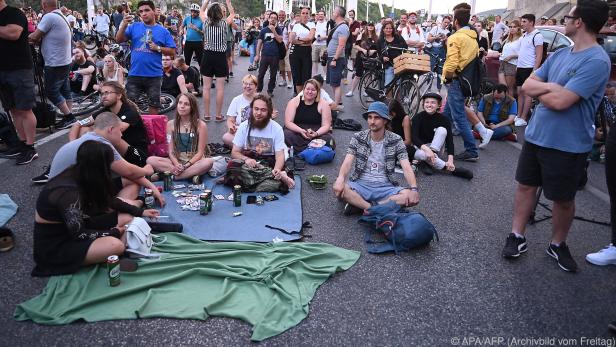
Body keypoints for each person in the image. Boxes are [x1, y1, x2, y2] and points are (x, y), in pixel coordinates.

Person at [501, 0, 611, 273]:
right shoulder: (561, 54)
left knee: (562, 198)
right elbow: (528, 85)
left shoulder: (597, 60)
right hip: (537, 135)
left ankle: (557, 243)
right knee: (526, 186)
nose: (564, 21)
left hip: (568, 143)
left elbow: (561, 102)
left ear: (579, 22)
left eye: (569, 17)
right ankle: (517, 235)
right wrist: (554, 89)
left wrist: (548, 92)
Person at [32, 140, 160, 277]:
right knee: (115, 245)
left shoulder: (82, 172)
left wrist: (140, 212)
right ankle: (113, 254)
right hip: (58, 245)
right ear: (100, 166)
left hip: (78, 226)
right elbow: (79, 234)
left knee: (127, 217)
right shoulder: (67, 192)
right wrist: (113, 232)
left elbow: (109, 200)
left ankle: (109, 253)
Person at [49, 111, 164, 205]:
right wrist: (146, 170)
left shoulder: (89, 137)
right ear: (110, 129)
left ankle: (120, 205)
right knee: (131, 184)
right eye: (120, 130)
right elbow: (129, 171)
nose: (121, 135)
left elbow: (128, 173)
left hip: (55, 194)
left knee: (127, 180)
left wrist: (151, 186)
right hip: (70, 199)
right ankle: (119, 208)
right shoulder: (100, 144)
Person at [333, 101, 419, 215]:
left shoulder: (396, 140)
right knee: (339, 189)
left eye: (377, 118)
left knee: (409, 197)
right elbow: (347, 162)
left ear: (385, 120)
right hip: (361, 184)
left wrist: (414, 188)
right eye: (370, 117)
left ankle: (362, 206)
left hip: (385, 187)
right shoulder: (358, 137)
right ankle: (376, 208)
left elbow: (407, 167)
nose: (372, 121)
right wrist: (340, 179)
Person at [67, 81, 148, 168]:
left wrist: (90, 134)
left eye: (107, 93)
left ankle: (92, 163)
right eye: (102, 94)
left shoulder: (130, 112)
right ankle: (85, 161)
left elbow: (114, 132)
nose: (104, 96)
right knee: (84, 129)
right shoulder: (105, 111)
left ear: (119, 95)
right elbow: (77, 124)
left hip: (137, 155)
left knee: (112, 136)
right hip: (116, 153)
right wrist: (73, 146)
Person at [116, 0, 176, 115]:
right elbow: (118, 40)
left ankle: (151, 131)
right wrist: (124, 24)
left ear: (154, 11)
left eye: (147, 10)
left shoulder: (163, 31)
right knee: (128, 108)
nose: (144, 13)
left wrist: (158, 48)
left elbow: (172, 51)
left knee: (154, 107)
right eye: (141, 11)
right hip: (135, 74)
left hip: (154, 75)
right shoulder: (134, 27)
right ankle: (133, 131)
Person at [0, 0, 39, 165]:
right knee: (14, 109)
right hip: (3, 70)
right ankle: (22, 144)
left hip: (19, 69)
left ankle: (30, 148)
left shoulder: (14, 13)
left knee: (24, 109)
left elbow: (13, 33)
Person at [441, 3, 480, 162]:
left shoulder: (455, 37)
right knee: (446, 115)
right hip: (465, 81)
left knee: (458, 117)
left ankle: (471, 150)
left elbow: (452, 62)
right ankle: (438, 141)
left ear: (456, 21)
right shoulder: (473, 37)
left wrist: (448, 78)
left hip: (456, 80)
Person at [28, 0, 75, 130]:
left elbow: (33, 37)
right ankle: (68, 117)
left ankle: (69, 116)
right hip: (65, 60)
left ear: (44, 5)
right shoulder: (61, 16)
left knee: (51, 91)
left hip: (55, 62)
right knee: (65, 89)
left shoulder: (49, 17)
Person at [231, 94, 295, 189]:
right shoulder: (244, 126)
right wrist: (246, 159)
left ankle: (274, 176)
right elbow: (234, 152)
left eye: (263, 110)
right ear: (251, 109)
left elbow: (280, 155)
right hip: (249, 163)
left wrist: (277, 169)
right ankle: (278, 177)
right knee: (233, 168)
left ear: (269, 111)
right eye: (256, 109)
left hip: (268, 163)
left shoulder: (276, 128)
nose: (259, 113)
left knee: (241, 182)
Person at [146, 93, 213, 181]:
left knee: (208, 162)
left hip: (194, 161)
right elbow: (171, 151)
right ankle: (188, 175)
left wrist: (186, 165)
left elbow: (200, 153)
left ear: (192, 107)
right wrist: (177, 164)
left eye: (186, 104)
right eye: (180, 103)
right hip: (177, 161)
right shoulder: (170, 124)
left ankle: (172, 176)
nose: (182, 106)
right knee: (150, 160)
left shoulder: (201, 125)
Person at [410, 93, 474, 179]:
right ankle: (451, 170)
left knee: (442, 130)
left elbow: (450, 141)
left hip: (436, 148)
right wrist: (427, 150)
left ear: (438, 105)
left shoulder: (444, 119)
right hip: (421, 148)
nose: (429, 105)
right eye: (427, 102)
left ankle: (428, 162)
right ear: (423, 104)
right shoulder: (417, 117)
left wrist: (450, 161)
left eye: (433, 103)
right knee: (421, 154)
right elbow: (414, 138)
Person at [199, 0, 235, 122]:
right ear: (220, 13)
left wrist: (207, 1)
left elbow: (201, 11)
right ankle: (218, 115)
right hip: (220, 57)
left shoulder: (205, 23)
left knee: (206, 88)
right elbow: (232, 14)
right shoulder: (225, 24)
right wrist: (228, 2)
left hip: (208, 56)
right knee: (220, 88)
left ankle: (207, 115)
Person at [284, 79, 334, 153]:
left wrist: (316, 133)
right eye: (307, 89)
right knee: (286, 135)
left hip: (316, 133)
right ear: (303, 90)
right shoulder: (294, 102)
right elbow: (288, 122)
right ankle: (312, 149)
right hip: (297, 131)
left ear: (317, 92)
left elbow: (326, 125)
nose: (310, 92)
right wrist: (301, 131)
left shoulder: (324, 104)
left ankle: (299, 149)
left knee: (328, 139)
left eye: (313, 90)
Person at [514, 14, 544, 127]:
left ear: (531, 22)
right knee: (520, 92)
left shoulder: (537, 35)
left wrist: (534, 71)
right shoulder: (524, 35)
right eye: (522, 21)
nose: (522, 24)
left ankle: (523, 118)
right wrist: (517, 66)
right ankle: (518, 115)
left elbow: (539, 55)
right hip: (521, 68)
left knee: (527, 94)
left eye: (524, 22)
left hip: (529, 68)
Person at [223, 74, 257, 147]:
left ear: (256, 87)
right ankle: (252, 147)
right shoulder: (236, 100)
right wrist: (231, 127)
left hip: (257, 131)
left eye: (251, 84)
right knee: (226, 137)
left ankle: (243, 147)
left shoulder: (261, 99)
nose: (247, 86)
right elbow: (230, 120)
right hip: (241, 132)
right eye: (245, 84)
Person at [288, 7, 315, 94]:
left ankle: (305, 95)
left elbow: (310, 38)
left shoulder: (312, 25)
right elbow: (291, 40)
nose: (305, 15)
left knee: (306, 74)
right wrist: (304, 41)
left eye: (307, 13)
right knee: (296, 74)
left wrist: (298, 39)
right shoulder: (296, 25)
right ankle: (299, 95)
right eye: (303, 13)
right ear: (300, 14)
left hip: (306, 51)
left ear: (309, 15)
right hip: (295, 51)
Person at [255, 11, 282, 97]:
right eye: (272, 18)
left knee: (273, 75)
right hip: (265, 55)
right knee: (261, 74)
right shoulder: (263, 30)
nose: (273, 20)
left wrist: (274, 31)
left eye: (275, 18)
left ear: (277, 20)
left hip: (275, 55)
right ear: (269, 19)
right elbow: (259, 43)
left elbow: (280, 40)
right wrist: (257, 55)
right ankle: (259, 90)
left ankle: (270, 90)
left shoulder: (278, 29)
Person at [326, 6, 349, 107]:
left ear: (338, 14)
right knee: (333, 82)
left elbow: (341, 45)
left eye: (334, 11)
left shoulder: (343, 27)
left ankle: (336, 104)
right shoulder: (339, 26)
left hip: (337, 58)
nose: (332, 13)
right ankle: (338, 102)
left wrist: (335, 58)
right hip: (333, 57)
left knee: (336, 83)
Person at [378, 21, 407, 86]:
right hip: (389, 64)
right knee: (388, 85)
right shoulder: (380, 40)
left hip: (399, 64)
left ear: (393, 29)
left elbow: (405, 48)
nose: (388, 30)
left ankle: (397, 96)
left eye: (390, 28)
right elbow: (379, 53)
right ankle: (389, 96)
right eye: (386, 28)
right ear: (383, 29)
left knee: (399, 85)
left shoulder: (398, 37)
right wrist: (383, 57)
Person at [426, 16, 450, 91]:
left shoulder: (448, 32)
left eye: (448, 23)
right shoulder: (435, 28)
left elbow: (448, 45)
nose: (446, 24)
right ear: (442, 21)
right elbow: (428, 39)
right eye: (445, 22)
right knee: (431, 70)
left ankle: (438, 91)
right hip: (433, 50)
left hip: (442, 51)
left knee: (441, 71)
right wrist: (436, 37)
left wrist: (445, 39)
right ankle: (428, 89)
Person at [498, 20, 521, 97]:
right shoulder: (509, 38)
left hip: (512, 64)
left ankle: (510, 107)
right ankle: (503, 106)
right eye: (510, 27)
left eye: (514, 27)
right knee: (502, 87)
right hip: (502, 63)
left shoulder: (521, 39)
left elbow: (523, 54)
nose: (512, 28)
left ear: (519, 28)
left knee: (509, 89)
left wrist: (512, 56)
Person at [181, 3, 204, 69]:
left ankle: (202, 77)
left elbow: (204, 33)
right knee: (187, 61)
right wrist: (181, 30)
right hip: (188, 42)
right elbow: (182, 26)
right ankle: (187, 77)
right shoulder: (187, 18)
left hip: (198, 42)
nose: (193, 13)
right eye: (192, 11)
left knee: (201, 61)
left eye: (195, 12)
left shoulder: (201, 20)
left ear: (198, 12)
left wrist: (197, 29)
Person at [278, 10, 293, 89]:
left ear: (285, 16)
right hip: (279, 48)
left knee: (288, 65)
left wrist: (287, 46)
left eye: (282, 15)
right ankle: (284, 80)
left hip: (287, 47)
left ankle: (289, 81)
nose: (281, 16)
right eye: (279, 15)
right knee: (281, 65)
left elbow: (290, 36)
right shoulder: (276, 25)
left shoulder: (288, 24)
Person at [311, 10, 327, 77]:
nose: (320, 15)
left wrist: (322, 38)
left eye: (322, 14)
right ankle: (314, 75)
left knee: (324, 61)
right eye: (319, 14)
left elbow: (329, 35)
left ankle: (325, 75)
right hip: (315, 44)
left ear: (324, 15)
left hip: (323, 44)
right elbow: (312, 34)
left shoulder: (327, 23)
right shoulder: (314, 23)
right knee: (314, 61)